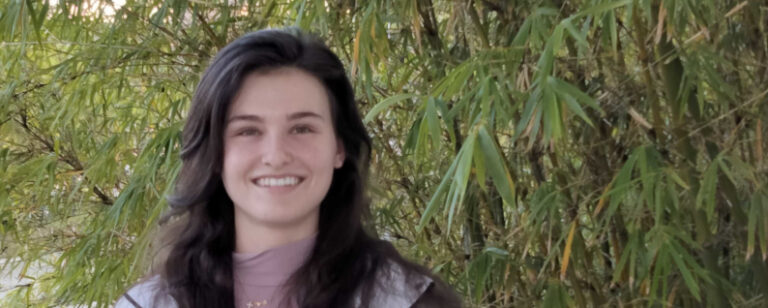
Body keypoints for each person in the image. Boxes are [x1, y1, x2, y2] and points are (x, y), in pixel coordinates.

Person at [114, 28, 461, 308]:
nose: (276, 155)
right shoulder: (153, 304)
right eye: (248, 131)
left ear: (339, 147)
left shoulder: (408, 300)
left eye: (302, 128)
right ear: (216, 153)